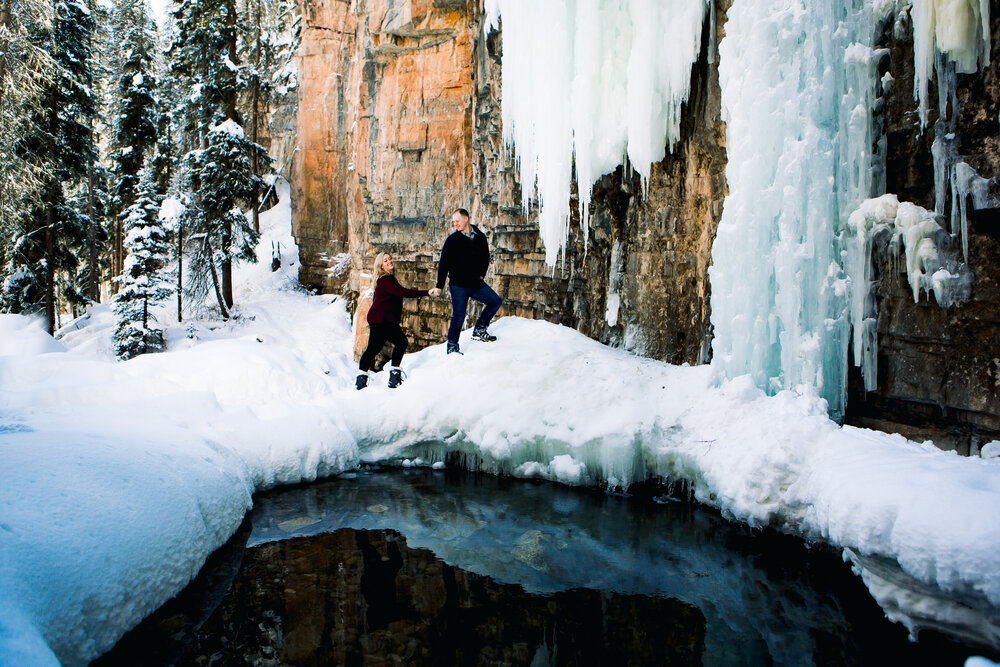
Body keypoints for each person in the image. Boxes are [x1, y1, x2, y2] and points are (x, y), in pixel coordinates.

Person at [356, 252, 440, 389]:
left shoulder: (386, 279)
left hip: (379, 318)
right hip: (382, 319)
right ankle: (394, 376)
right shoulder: (385, 279)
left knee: (373, 348)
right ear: (380, 266)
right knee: (401, 342)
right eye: (385, 260)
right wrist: (426, 292)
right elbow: (402, 292)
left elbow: (392, 293)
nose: (389, 261)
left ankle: (361, 381)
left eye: (390, 259)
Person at [436, 208, 502, 354]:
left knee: (495, 301)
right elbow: (444, 263)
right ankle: (452, 347)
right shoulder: (452, 240)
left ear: (466, 219)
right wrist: (439, 286)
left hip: (475, 284)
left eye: (457, 221)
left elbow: (485, 256)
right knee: (459, 315)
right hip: (458, 286)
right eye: (454, 222)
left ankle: (479, 330)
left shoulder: (479, 236)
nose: (455, 224)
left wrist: (481, 275)